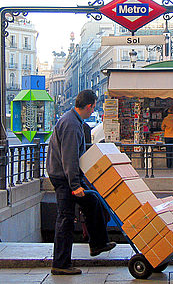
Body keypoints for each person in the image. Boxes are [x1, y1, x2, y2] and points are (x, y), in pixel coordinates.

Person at [46, 89, 115, 275]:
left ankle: (98, 244)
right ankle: (60, 264)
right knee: (66, 218)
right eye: (93, 108)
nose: (93, 112)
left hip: (67, 175)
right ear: (89, 106)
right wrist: (75, 185)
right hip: (64, 178)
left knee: (93, 202)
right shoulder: (71, 125)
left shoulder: (72, 120)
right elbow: (69, 157)